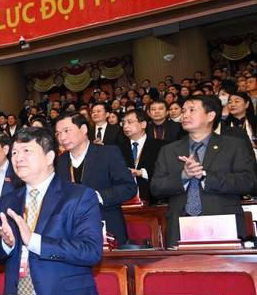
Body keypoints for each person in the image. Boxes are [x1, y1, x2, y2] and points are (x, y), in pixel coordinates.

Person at [0, 127, 107, 295]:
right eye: (14, 153)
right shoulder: (5, 202)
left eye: (26, 151)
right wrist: (6, 243)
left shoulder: (79, 196)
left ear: (50, 156)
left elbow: (91, 251)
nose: (18, 158)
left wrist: (34, 241)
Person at [151, 94, 257, 246]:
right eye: (184, 111)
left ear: (210, 115)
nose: (185, 115)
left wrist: (205, 176)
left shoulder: (234, 145)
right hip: (180, 226)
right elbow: (156, 187)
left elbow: (248, 182)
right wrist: (183, 176)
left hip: (223, 224)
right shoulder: (168, 150)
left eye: (192, 110)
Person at [55, 111, 136, 245]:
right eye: (58, 133)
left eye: (67, 131)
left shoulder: (108, 153)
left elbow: (129, 188)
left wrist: (97, 196)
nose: (62, 137)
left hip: (107, 228)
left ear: (84, 129)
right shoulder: (58, 162)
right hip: (71, 234)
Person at [118, 109, 165, 205]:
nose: (125, 126)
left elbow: (165, 173)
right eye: (123, 123)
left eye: (130, 122)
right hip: (125, 201)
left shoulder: (160, 146)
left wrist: (142, 173)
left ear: (143, 124)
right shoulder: (117, 148)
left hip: (153, 200)